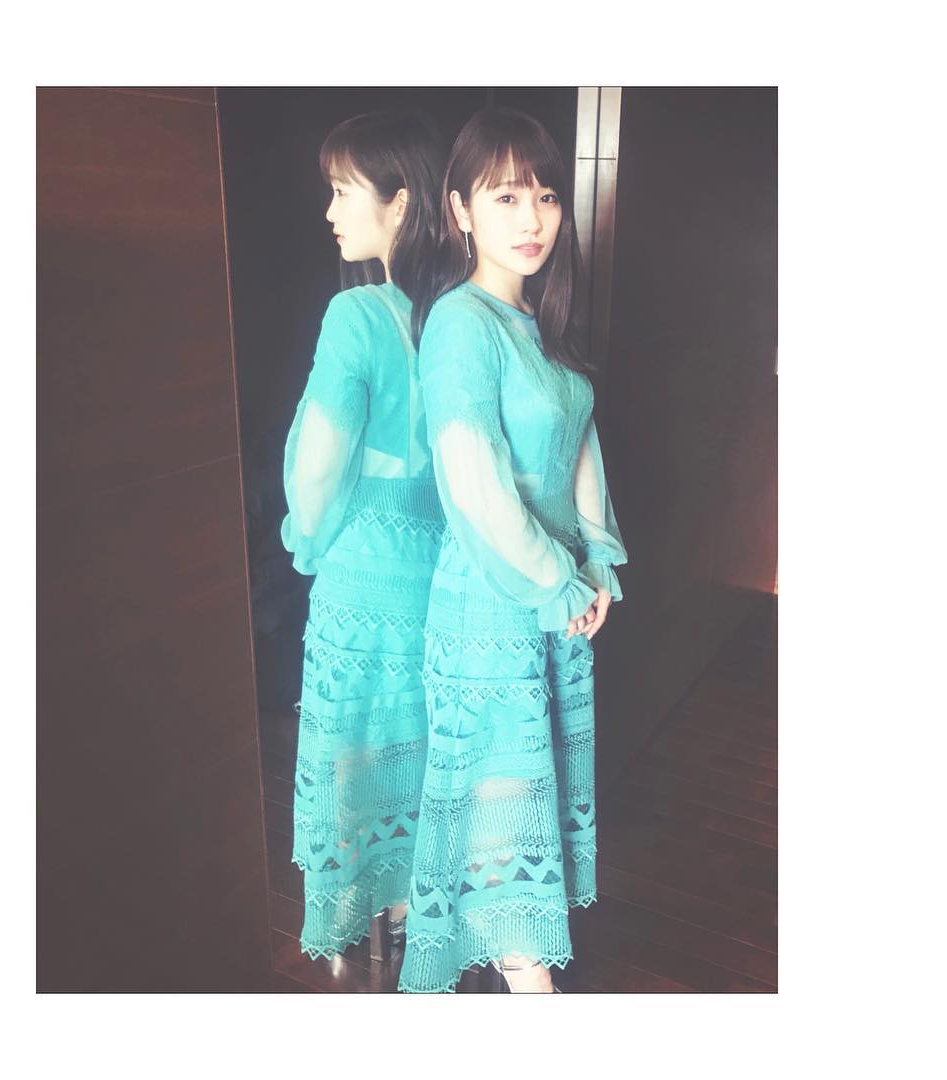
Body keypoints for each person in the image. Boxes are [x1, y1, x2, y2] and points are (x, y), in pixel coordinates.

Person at [398, 107, 629, 994]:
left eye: (545, 196)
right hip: (493, 606)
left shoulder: (541, 323)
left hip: (554, 600)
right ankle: (528, 979)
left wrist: (597, 563)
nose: (532, 218)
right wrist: (557, 583)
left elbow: (580, 453)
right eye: (505, 197)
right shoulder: (461, 323)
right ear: (460, 209)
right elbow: (474, 484)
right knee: (501, 794)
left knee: (530, 790)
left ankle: (521, 962)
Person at [281, 111, 445, 964]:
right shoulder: (468, 316)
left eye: (344, 192)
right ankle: (428, 915)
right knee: (428, 758)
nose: (330, 211)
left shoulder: (357, 316)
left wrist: (306, 540)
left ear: (401, 202)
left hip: (360, 581)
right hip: (445, 585)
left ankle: (377, 928)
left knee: (357, 768)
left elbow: (320, 459)